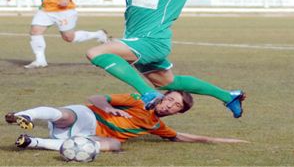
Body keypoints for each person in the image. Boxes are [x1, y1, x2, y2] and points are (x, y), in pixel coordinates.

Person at [57, 0, 294, 116]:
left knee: (95, 53)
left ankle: (147, 94)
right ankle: (228, 96)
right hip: (137, 41)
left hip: (153, 42)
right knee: (167, 82)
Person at [5, 90, 249, 152]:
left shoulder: (157, 126)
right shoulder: (137, 100)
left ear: (178, 113)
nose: (169, 105)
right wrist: (110, 107)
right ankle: (26, 115)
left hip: (87, 136)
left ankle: (32, 141)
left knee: (115, 145)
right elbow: (95, 97)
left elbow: (181, 136)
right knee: (66, 114)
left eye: (176, 106)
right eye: (170, 99)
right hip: (88, 116)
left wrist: (218, 139)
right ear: (163, 97)